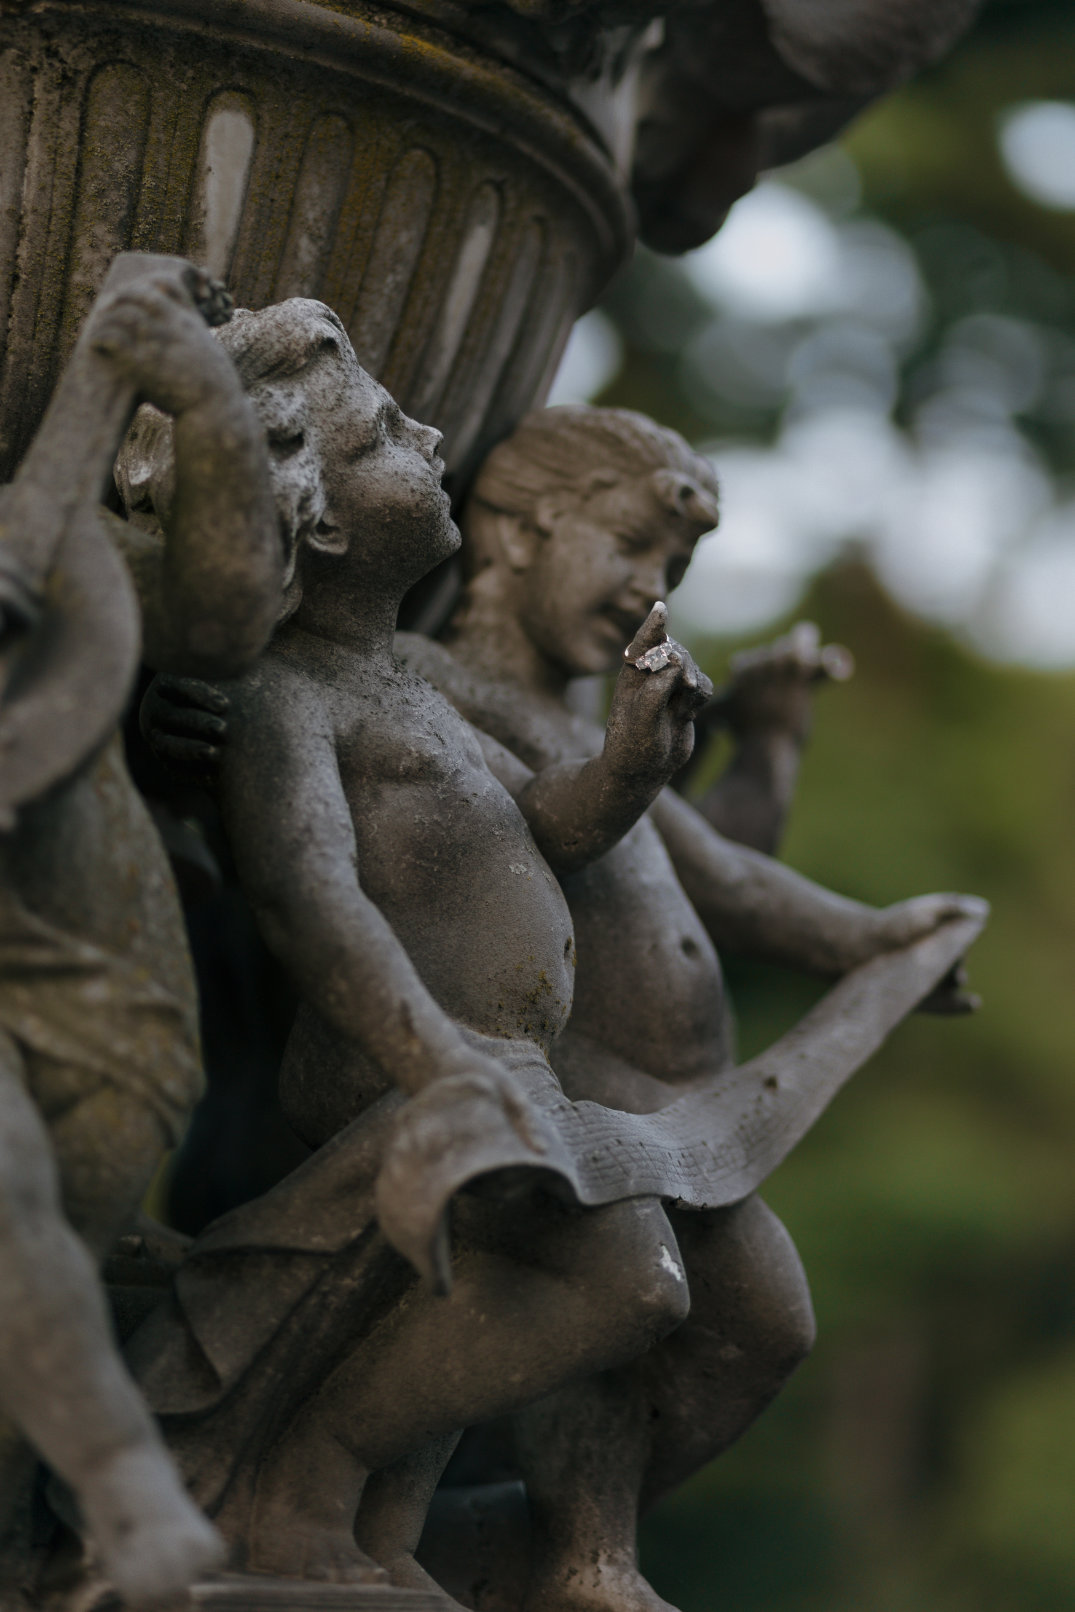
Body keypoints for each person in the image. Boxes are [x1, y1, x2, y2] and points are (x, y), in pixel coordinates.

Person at [142, 396, 984, 1611]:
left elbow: (653, 855)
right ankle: (410, 1508)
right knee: (628, 1287)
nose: (653, 586)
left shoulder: (431, 698)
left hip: (526, 1068)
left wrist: (657, 770)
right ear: (519, 529)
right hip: (481, 1067)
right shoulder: (391, 683)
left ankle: (426, 1536)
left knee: (691, 1317)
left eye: (676, 568)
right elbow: (306, 885)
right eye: (634, 547)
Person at [120, 298, 725, 1589]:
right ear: (319, 517)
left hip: (489, 1064)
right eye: (392, 433)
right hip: (399, 1071)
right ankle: (305, 1479)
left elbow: (537, 832)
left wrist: (625, 763)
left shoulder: (405, 679)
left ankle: (362, 1536)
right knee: (627, 1282)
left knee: (454, 1310)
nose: (439, 429)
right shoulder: (286, 699)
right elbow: (308, 896)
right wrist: (428, 1052)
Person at [0, 256, 284, 1604]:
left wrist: (206, 402)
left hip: (110, 1021)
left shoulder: (43, 541)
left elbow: (225, 621)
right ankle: (123, 1494)